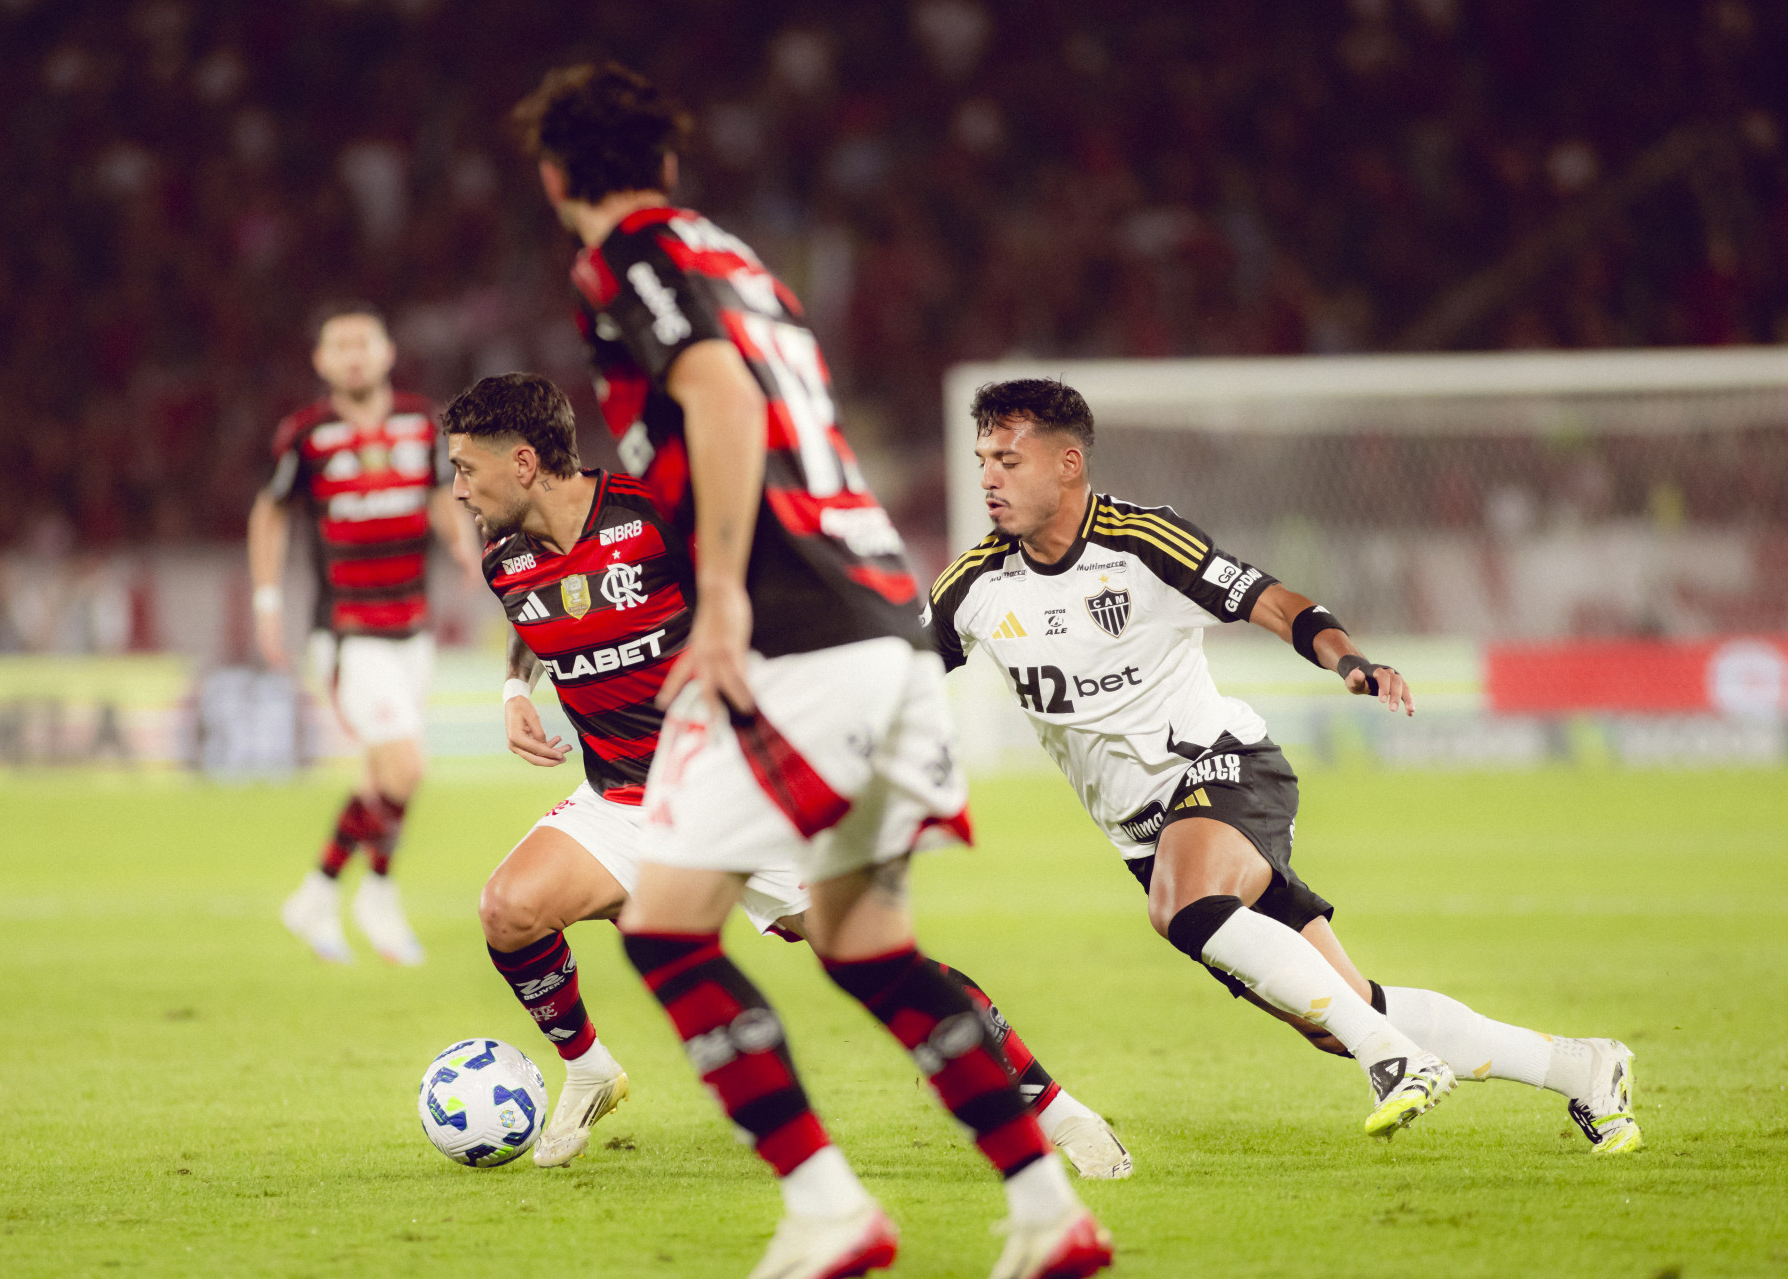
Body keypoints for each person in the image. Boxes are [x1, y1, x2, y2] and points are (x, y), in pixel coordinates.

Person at [514, 63, 1115, 1279]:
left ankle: (829, 1207)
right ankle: (1048, 1207)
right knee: (865, 945)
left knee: (669, 932)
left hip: (795, 634)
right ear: (667, 161)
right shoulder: (737, 259)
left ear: (553, 175)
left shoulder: (623, 259)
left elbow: (724, 402)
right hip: (883, 618)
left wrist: (723, 593)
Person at [925, 377, 1642, 1156]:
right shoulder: (973, 587)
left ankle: (1391, 1059)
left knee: (1184, 907)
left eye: (1008, 459)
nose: (988, 477)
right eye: (983, 459)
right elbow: (896, 672)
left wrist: (1349, 660)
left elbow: (1273, 601)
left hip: (1225, 769)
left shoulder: (1142, 542)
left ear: (1068, 464)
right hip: (1143, 836)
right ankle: (1579, 1066)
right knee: (1341, 1009)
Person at [443, 372, 1129, 1179]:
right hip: (624, 798)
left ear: (524, 462)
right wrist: (515, 688)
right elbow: (540, 611)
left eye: (465, 468)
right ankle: (590, 1068)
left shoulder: (659, 515)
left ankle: (1059, 1111)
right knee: (509, 910)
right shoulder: (505, 556)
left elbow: (777, 593)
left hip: (746, 783)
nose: (457, 490)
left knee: (877, 964)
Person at [250, 303, 482, 965]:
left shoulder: (421, 422)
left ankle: (318, 892)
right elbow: (269, 512)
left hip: (413, 627)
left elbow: (439, 491)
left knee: (383, 778)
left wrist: (461, 542)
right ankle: (376, 892)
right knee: (406, 765)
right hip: (347, 631)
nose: (354, 355)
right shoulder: (305, 434)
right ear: (321, 361)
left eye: (364, 343)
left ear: (387, 352)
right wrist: (267, 601)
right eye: (340, 345)